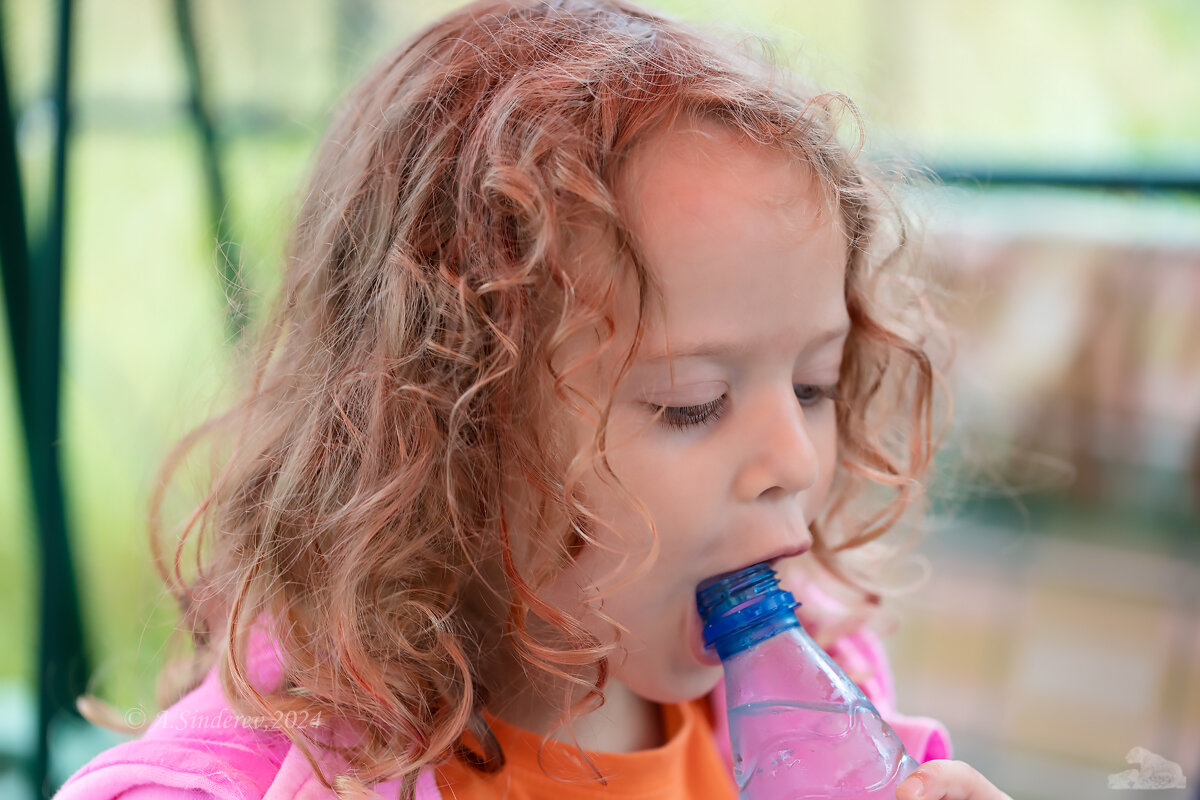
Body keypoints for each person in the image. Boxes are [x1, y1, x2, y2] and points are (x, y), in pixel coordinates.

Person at [56, 1, 1010, 798]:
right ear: (444, 433)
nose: (794, 461)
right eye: (692, 403)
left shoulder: (832, 713)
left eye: (813, 386)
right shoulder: (276, 779)